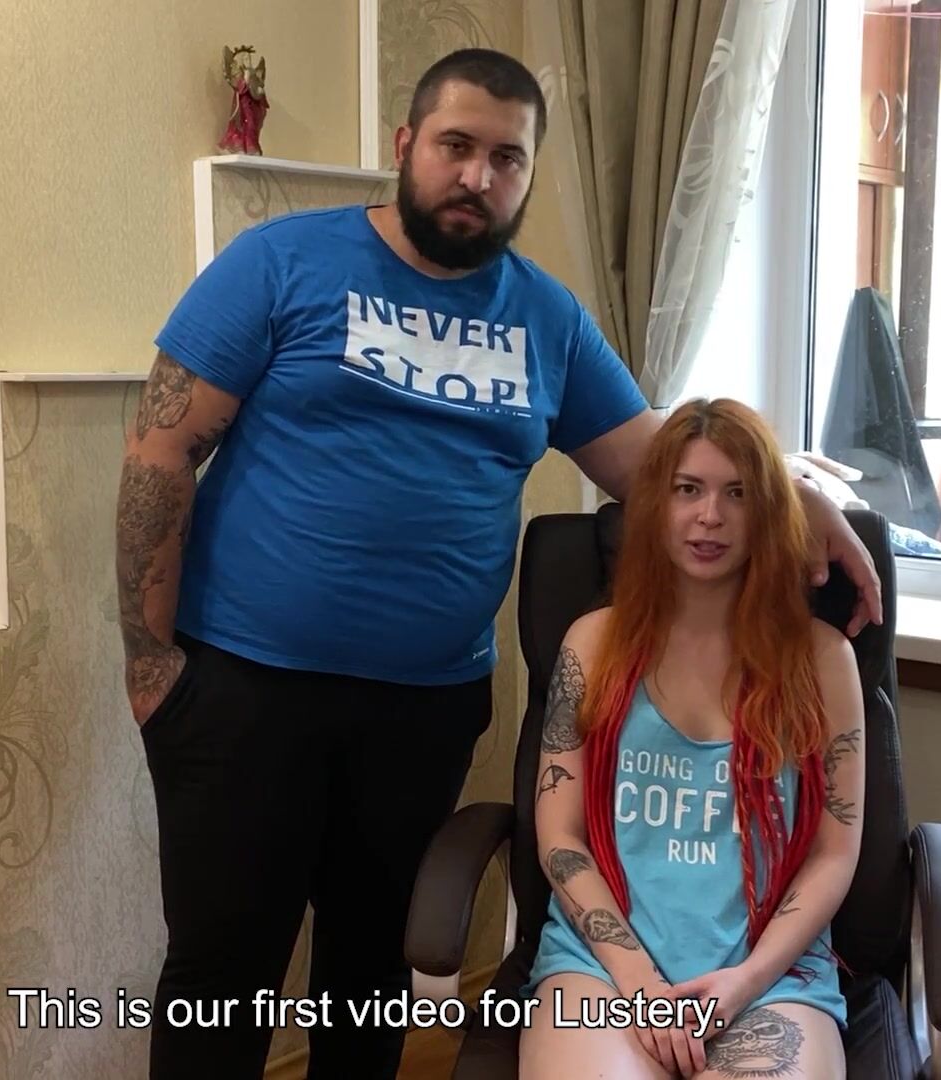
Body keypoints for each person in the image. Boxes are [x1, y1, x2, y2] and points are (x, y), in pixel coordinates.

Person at [114, 47, 880, 1080]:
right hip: (246, 689)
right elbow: (160, 450)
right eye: (456, 145)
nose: (477, 176)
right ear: (406, 146)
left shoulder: (546, 319)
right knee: (221, 971)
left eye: (506, 158)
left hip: (421, 708)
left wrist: (796, 494)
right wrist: (150, 659)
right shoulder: (280, 264)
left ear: (526, 174)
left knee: (368, 970)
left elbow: (662, 464)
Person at [518, 397, 866, 1079]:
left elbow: (833, 853)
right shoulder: (593, 644)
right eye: (688, 489)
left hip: (771, 974)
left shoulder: (824, 659)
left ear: (769, 512)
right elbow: (560, 836)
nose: (710, 516)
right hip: (605, 967)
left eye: (738, 493)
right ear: (656, 503)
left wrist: (744, 981)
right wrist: (638, 983)